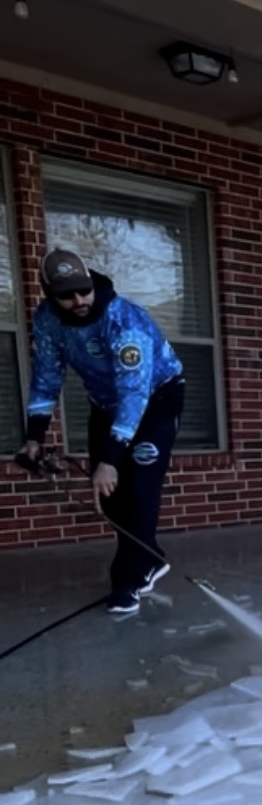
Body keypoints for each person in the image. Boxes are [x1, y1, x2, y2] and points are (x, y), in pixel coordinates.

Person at [18, 249, 185, 617]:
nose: (79, 300)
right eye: (67, 295)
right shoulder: (47, 320)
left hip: (156, 399)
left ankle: (128, 580)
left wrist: (110, 460)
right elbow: (46, 377)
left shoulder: (124, 320)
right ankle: (151, 557)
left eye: (84, 290)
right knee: (110, 498)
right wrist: (34, 437)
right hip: (105, 404)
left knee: (138, 487)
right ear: (50, 294)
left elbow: (134, 394)